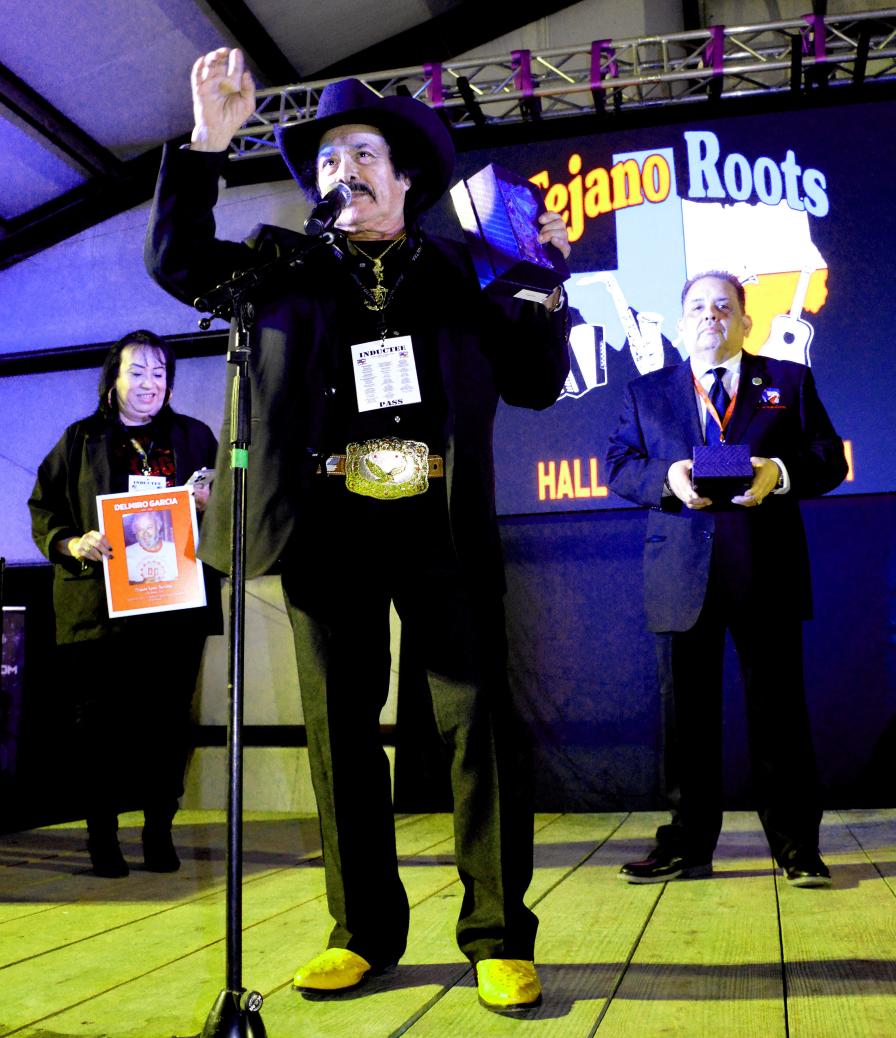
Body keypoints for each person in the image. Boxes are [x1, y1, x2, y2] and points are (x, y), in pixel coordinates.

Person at [145, 48, 571, 1012]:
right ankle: (364, 931)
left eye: (362, 152)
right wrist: (210, 141)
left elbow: (538, 383)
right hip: (325, 525)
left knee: (476, 730)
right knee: (340, 734)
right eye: (329, 160)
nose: (344, 171)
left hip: (439, 522)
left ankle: (498, 935)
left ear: (405, 174)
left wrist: (548, 274)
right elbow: (175, 261)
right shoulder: (280, 265)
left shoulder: (463, 272)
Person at [606, 271, 848, 888]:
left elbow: (826, 458)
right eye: (697, 307)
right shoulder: (646, 391)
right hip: (680, 574)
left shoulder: (787, 381)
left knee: (779, 718)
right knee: (684, 725)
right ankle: (687, 845)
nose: (709, 315)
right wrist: (669, 479)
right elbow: (619, 466)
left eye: (723, 306)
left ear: (746, 321)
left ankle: (797, 849)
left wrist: (780, 473)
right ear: (683, 322)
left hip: (765, 571)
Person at [28, 330, 221, 878]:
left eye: (160, 373)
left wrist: (212, 503)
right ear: (112, 379)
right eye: (137, 371)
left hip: (174, 607)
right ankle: (102, 838)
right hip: (99, 609)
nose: (149, 383)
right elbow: (44, 509)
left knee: (168, 724)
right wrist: (72, 543)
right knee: (100, 727)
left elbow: (229, 509)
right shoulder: (80, 439)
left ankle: (159, 831)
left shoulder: (194, 436)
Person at [125, 510, 179, 583]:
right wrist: (140, 585)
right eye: (140, 529)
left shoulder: (174, 550)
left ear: (158, 526)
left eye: (149, 527)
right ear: (135, 531)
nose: (145, 533)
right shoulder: (126, 553)